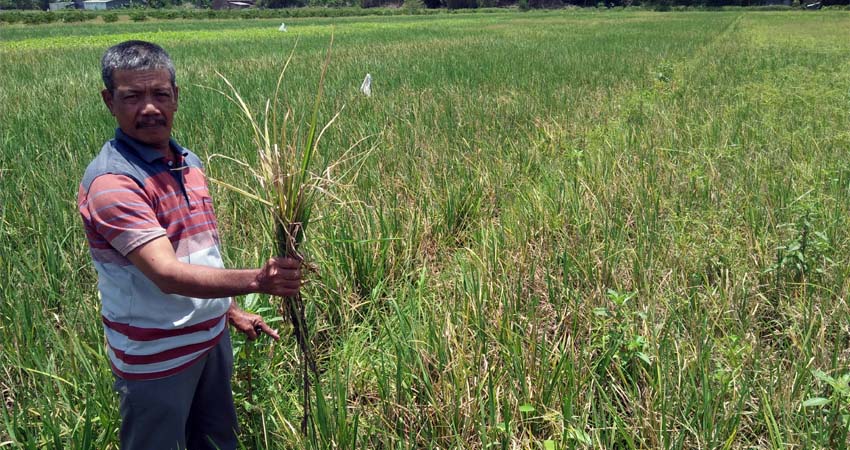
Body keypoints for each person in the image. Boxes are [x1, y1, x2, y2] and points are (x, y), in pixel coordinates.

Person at [77, 40, 301, 450]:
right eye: (133, 97)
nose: (150, 108)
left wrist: (229, 310)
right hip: (156, 361)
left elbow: (197, 254)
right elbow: (167, 273)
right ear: (109, 101)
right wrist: (257, 280)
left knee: (217, 442)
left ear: (176, 97)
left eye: (161, 93)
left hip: (210, 343)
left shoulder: (189, 163)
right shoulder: (113, 183)